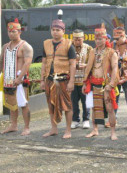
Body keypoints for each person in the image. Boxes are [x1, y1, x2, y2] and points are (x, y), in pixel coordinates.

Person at [40, 10, 76, 139]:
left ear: (63, 31)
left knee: (67, 105)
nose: (55, 32)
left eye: (58, 30)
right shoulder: (46, 43)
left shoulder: (69, 44)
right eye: (53, 29)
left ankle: (68, 130)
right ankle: (53, 129)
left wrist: (71, 81)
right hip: (49, 79)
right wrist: (42, 80)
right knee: (51, 104)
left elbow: (73, 64)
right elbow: (44, 63)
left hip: (63, 80)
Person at [82, 23, 119, 140]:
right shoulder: (92, 52)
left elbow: (115, 69)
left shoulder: (111, 52)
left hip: (105, 84)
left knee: (109, 108)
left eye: (100, 39)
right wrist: (84, 83)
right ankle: (95, 129)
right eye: (96, 39)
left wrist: (111, 84)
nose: (97, 41)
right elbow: (88, 68)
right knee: (94, 108)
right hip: (93, 83)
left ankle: (113, 132)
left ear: (105, 38)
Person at [0, 18, 33, 136]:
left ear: (19, 32)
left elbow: (27, 63)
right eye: (9, 31)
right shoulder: (5, 47)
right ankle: (13, 125)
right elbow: (1, 62)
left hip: (20, 78)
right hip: (8, 77)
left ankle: (27, 127)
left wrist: (19, 79)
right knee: (11, 103)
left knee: (23, 103)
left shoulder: (26, 46)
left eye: (14, 31)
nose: (11, 33)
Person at [111, 26, 127, 130]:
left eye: (118, 38)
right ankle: (113, 119)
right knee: (114, 97)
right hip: (116, 74)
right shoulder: (113, 44)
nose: (116, 41)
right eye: (115, 38)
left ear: (123, 35)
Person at [70, 29, 93, 129]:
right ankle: (75, 120)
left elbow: (94, 63)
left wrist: (86, 65)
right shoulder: (69, 48)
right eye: (75, 39)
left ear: (83, 38)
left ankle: (86, 120)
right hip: (72, 80)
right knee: (74, 102)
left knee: (86, 102)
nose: (77, 41)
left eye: (79, 39)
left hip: (85, 80)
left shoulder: (89, 48)